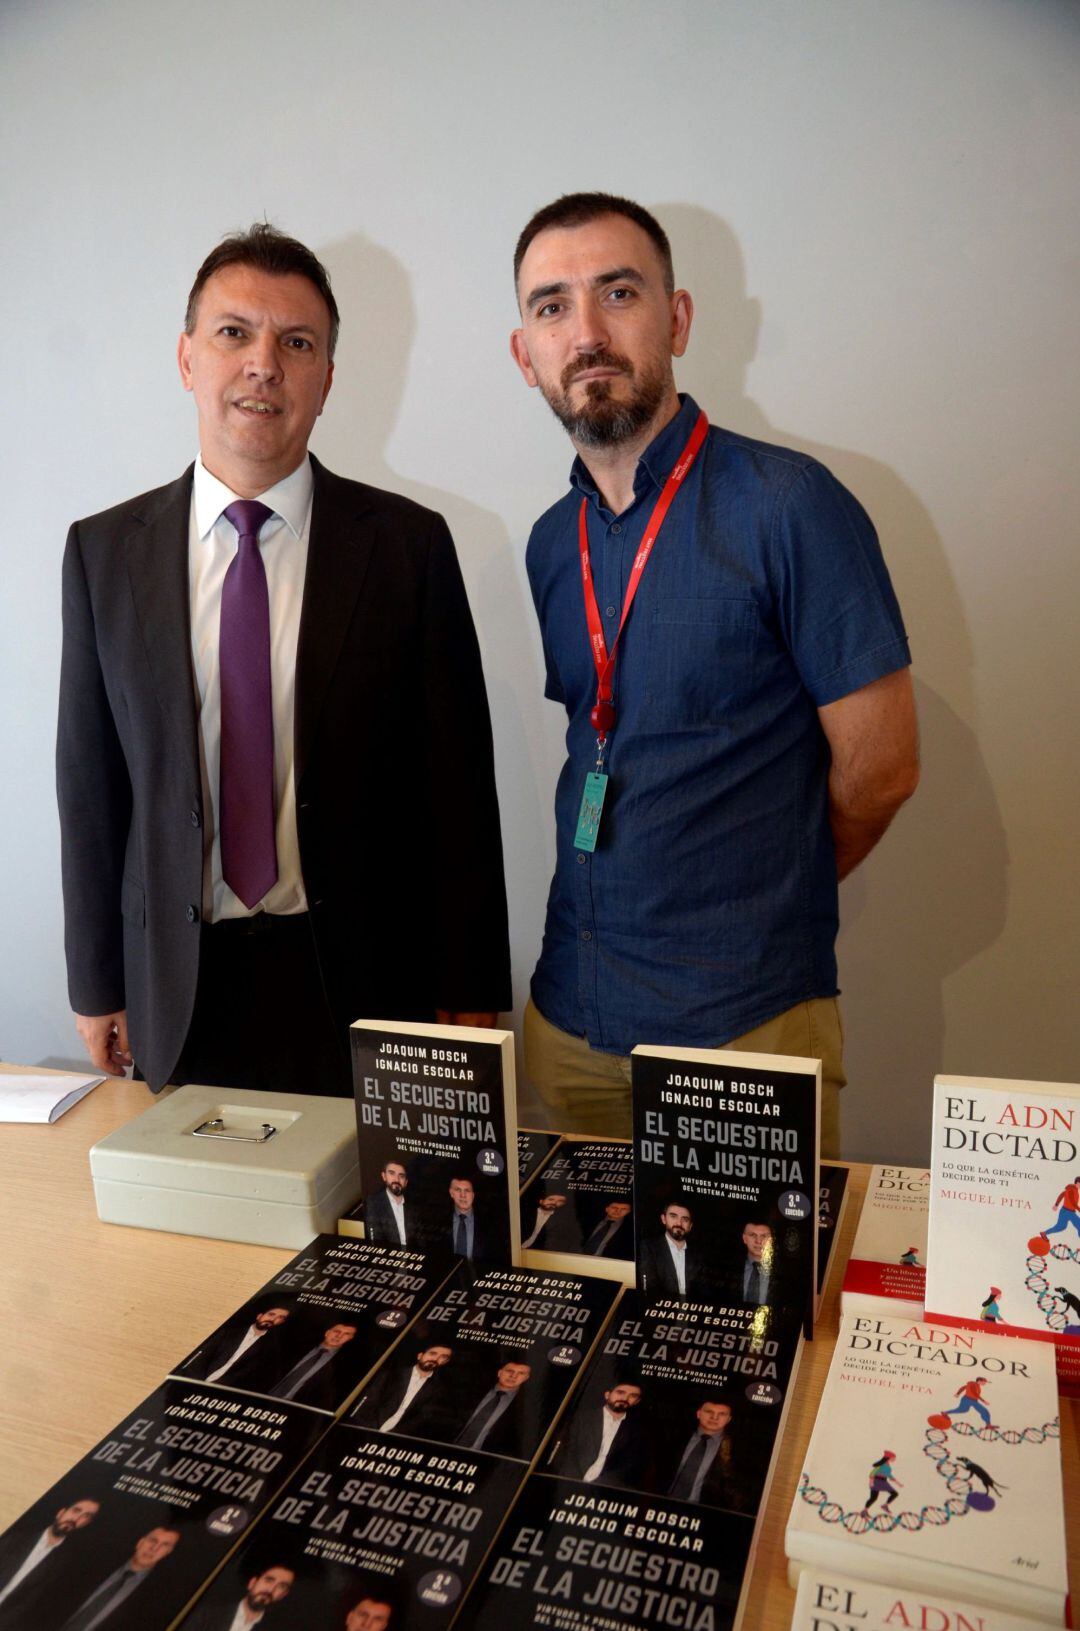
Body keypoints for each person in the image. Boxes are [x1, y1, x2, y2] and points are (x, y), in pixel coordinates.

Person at [58, 224, 511, 1097]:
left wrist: (470, 980)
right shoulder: (103, 552)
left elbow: (456, 786)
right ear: (187, 358)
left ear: (328, 379)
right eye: (234, 333)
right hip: (176, 983)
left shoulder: (408, 548)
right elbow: (90, 784)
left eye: (296, 343)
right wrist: (96, 978)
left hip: (365, 985)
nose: (264, 363)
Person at [509, 192, 918, 1155]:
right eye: (552, 306)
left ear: (679, 318)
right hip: (568, 1019)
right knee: (580, 1296)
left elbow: (883, 769)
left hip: (742, 1027)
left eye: (618, 292)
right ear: (524, 351)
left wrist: (756, 891)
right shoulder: (547, 545)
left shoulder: (792, 506)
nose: (589, 332)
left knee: (752, 1308)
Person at [59, 1524, 180, 1630]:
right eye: (152, 1540)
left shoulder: (158, 1598)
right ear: (140, 1542)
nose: (154, 1548)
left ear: (168, 1553)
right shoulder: (93, 1566)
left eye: (164, 1545)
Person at [0, 1499, 99, 1623]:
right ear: (61, 1513)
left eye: (86, 1516)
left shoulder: (67, 1566)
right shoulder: (14, 1538)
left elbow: (34, 1608)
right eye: (76, 1510)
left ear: (86, 1524)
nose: (76, 1518)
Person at [556, 1382, 646, 1488]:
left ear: (637, 1401)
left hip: (604, 1489)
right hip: (566, 1481)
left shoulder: (638, 1431)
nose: (625, 1398)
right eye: (620, 1392)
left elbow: (629, 1467)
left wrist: (598, 1487)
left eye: (633, 1396)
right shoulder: (581, 1418)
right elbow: (565, 1452)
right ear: (607, 1395)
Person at [352, 1344, 454, 1436]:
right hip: (365, 1429)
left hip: (397, 1436)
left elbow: (422, 1419)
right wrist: (367, 1430)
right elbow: (367, 1402)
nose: (436, 1359)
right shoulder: (391, 1374)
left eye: (443, 1357)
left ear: (446, 1362)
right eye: (433, 1354)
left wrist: (394, 1435)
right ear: (420, 1355)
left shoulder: (438, 1389)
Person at [182, 1303, 292, 1387]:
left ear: (282, 1323)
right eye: (271, 1314)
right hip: (191, 1382)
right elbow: (198, 1359)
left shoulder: (270, 1349)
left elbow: (248, 1378)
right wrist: (196, 1384)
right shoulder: (227, 1333)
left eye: (280, 1318)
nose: (273, 1319)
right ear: (259, 1316)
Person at [264, 1321, 358, 1409]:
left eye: (346, 1334)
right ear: (327, 1332)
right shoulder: (296, 1346)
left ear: (350, 1339)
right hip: (262, 1395)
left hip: (293, 1408)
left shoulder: (345, 1366)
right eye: (336, 1331)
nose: (339, 1336)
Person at [664, 1401, 735, 1506]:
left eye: (721, 1414)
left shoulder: (735, 1450)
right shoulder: (675, 1437)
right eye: (709, 1411)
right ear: (698, 1413)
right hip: (662, 1501)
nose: (714, 1417)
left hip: (704, 1510)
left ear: (729, 1419)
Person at [455, 1360, 532, 1454]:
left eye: (521, 1373)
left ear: (526, 1378)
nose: (513, 1376)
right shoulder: (471, 1391)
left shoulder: (526, 1407)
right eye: (509, 1371)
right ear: (500, 1373)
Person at [185, 1564, 295, 1630]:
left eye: (281, 1586)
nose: (271, 1590)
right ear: (252, 1583)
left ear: (283, 1595)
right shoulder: (207, 1614)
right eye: (269, 1580)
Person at [637, 1202, 707, 1300]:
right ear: (664, 1219)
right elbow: (648, 1287)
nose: (679, 1223)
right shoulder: (648, 1247)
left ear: (690, 1226)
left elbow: (704, 1292)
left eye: (685, 1219)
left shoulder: (699, 1255)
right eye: (673, 1216)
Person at [364, 1160, 412, 1246]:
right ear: (384, 1176)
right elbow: (375, 1241)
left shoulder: (413, 1207)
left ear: (406, 1182)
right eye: (392, 1173)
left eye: (401, 1176)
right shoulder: (373, 1203)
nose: (396, 1179)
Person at [448, 1177, 484, 1260]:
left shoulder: (488, 1223)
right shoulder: (439, 1219)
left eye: (467, 1191)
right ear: (451, 1193)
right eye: (458, 1190)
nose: (463, 1195)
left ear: (473, 1195)